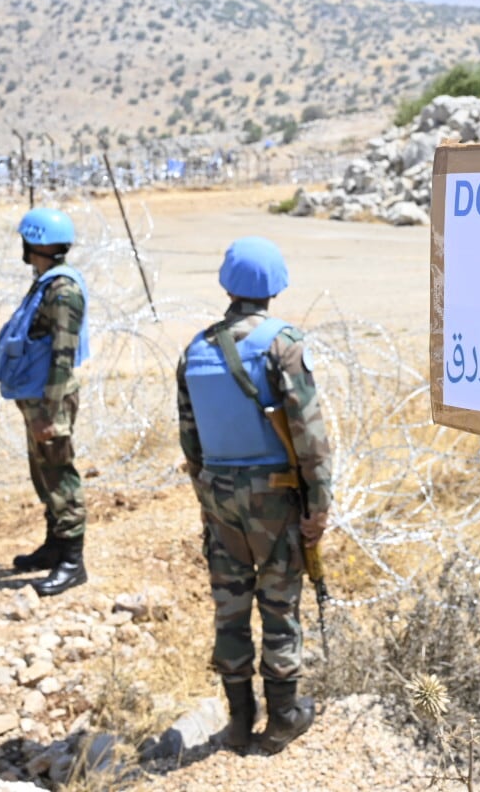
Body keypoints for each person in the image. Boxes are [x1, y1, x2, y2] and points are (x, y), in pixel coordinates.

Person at [177, 237, 332, 755]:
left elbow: (190, 438)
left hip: (218, 495)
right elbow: (308, 434)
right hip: (274, 495)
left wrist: (213, 489)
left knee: (231, 604)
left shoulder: (196, 349)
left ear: (227, 285)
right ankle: (284, 715)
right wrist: (319, 504)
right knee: (280, 602)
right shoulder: (281, 343)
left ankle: (240, 720)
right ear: (277, 287)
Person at [0, 208, 91, 597]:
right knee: (43, 472)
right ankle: (54, 545)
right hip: (37, 397)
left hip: (50, 399)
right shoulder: (46, 282)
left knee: (59, 472)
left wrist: (50, 414)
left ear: (33, 242)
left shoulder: (62, 290)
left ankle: (72, 560)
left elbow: (63, 357)